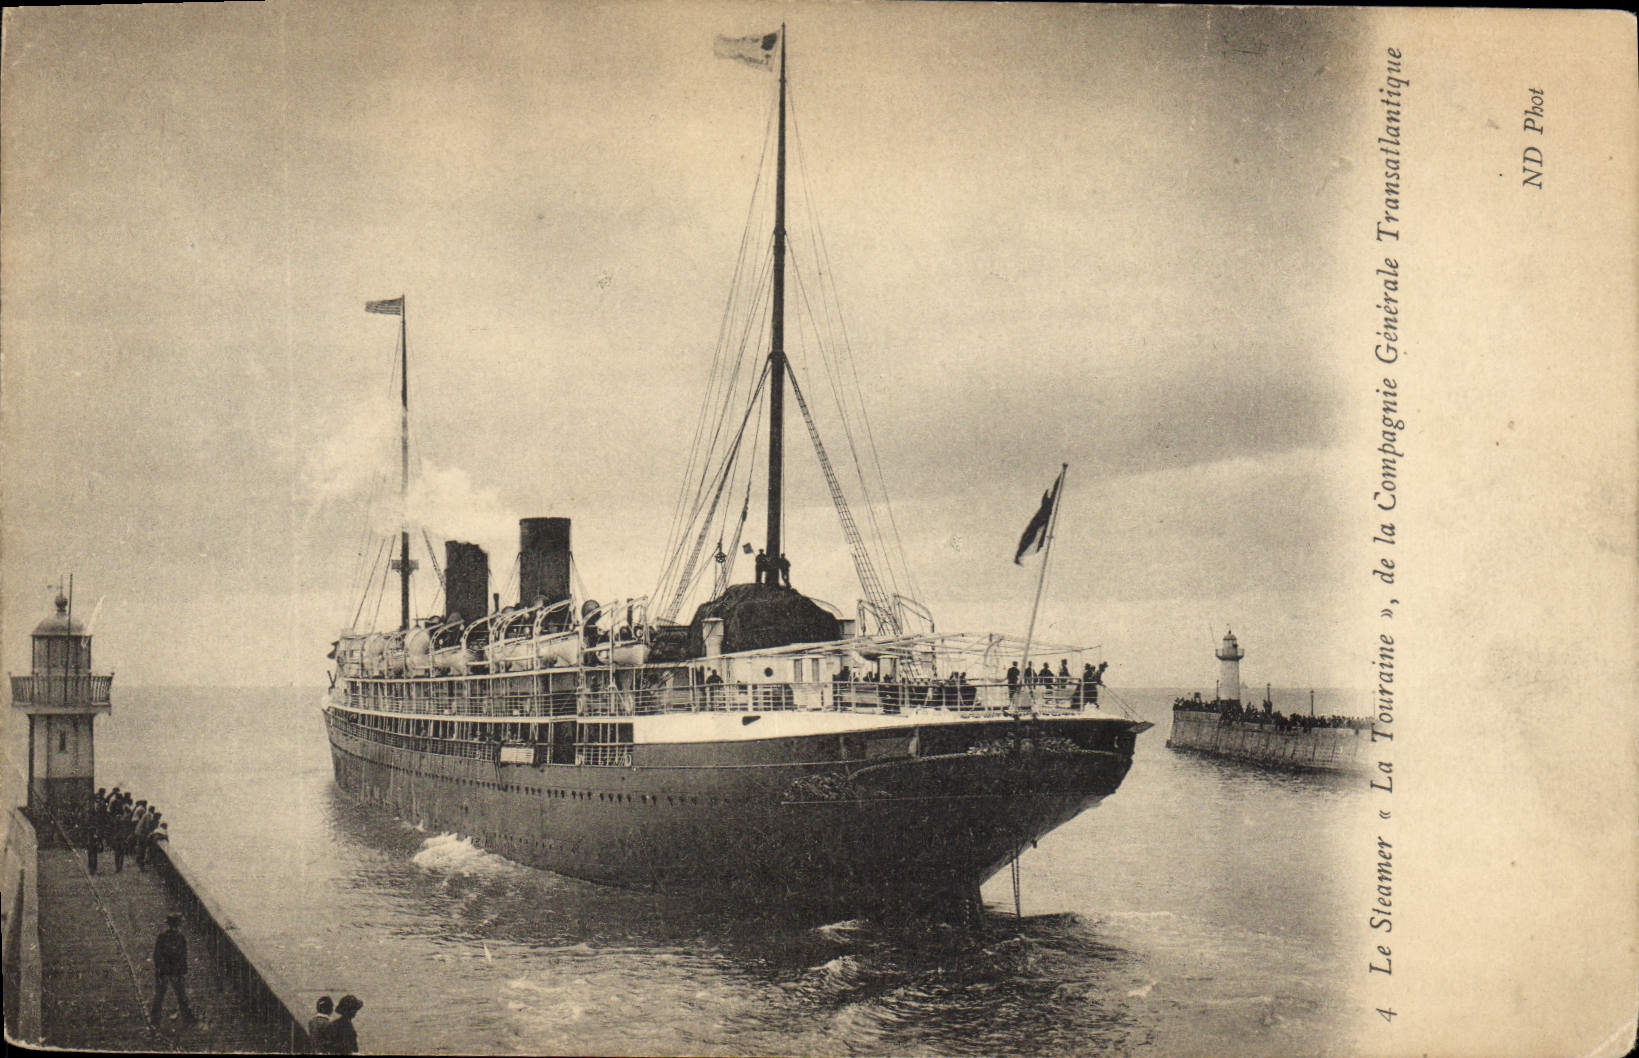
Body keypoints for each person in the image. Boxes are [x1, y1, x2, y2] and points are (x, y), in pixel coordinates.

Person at [150, 913, 195, 1025]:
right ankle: (187, 1018)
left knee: (160, 995)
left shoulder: (162, 937)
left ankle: (155, 1019)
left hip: (164, 971)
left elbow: (157, 955)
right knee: (181, 995)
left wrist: (160, 968)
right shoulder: (181, 938)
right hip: (175, 971)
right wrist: (182, 971)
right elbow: (183, 956)